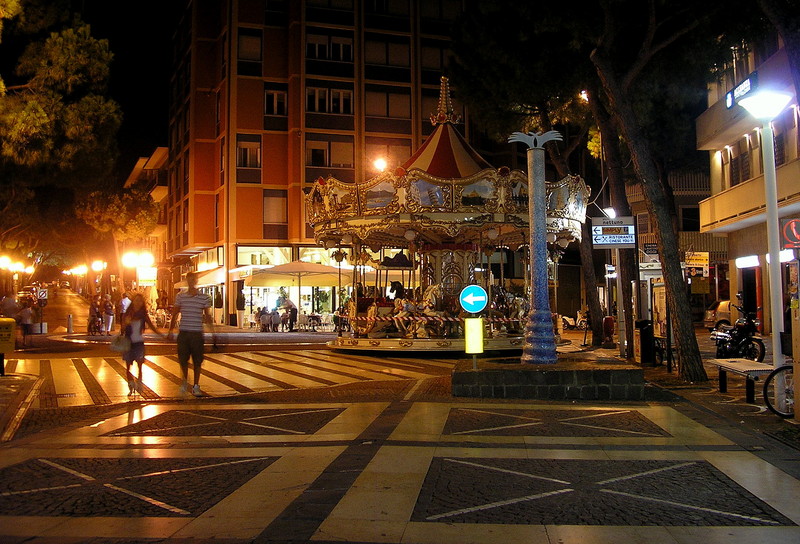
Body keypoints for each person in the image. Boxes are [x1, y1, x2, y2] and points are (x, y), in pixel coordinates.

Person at [167, 271, 213, 397]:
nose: (192, 281)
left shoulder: (204, 297)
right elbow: (175, 313)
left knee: (197, 361)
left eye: (194, 279)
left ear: (196, 281)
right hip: (184, 332)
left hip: (197, 332)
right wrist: (170, 330)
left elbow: (207, 316)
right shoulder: (180, 297)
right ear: (187, 281)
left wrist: (213, 332)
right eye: (190, 279)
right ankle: (184, 382)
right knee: (183, 360)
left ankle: (196, 385)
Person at [121, 293, 166, 396]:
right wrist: (125, 324)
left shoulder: (143, 314)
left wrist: (162, 335)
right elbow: (122, 329)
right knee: (128, 367)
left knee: (140, 365)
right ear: (133, 302)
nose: (138, 303)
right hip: (128, 343)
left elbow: (151, 326)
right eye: (136, 300)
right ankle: (131, 384)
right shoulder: (128, 313)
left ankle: (139, 383)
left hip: (139, 343)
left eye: (140, 301)